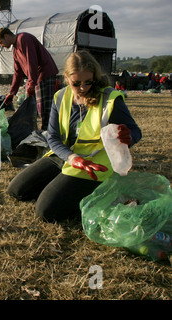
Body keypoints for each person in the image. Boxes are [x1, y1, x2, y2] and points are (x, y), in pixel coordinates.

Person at [7, 50, 142, 223]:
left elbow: (135, 131)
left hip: (93, 165)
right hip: (66, 156)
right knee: (16, 190)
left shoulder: (110, 98)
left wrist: (128, 137)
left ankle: (101, 193)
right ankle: (64, 187)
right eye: (76, 83)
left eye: (88, 82)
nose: (83, 88)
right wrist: (72, 158)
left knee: (46, 212)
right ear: (67, 78)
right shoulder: (61, 96)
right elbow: (53, 137)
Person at [0, 28, 59, 131]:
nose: (1, 45)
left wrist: (32, 82)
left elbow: (31, 61)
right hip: (36, 78)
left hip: (44, 74)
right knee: (34, 108)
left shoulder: (23, 39)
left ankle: (47, 134)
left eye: (1, 42)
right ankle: (37, 132)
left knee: (44, 109)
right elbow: (17, 72)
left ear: (6, 36)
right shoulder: (15, 49)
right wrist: (12, 92)